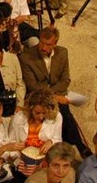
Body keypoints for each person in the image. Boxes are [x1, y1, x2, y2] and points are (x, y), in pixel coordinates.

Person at [18, 25, 89, 155]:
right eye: (42, 43)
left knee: (64, 110)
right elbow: (33, 85)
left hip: (57, 93)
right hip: (37, 95)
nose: (44, 47)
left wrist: (54, 96)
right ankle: (79, 145)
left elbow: (65, 80)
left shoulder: (63, 52)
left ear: (55, 43)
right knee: (64, 112)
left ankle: (73, 143)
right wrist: (55, 98)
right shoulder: (26, 57)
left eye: (48, 44)